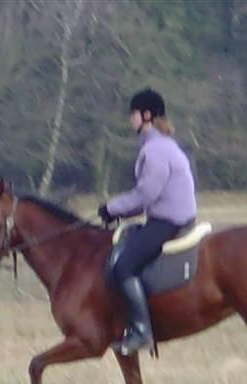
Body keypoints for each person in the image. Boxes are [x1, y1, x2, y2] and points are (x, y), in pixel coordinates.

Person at [98, 88, 197, 355]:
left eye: (132, 114)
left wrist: (111, 208)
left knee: (123, 267)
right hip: (167, 216)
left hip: (168, 222)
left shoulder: (155, 150)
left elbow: (145, 194)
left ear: (146, 116)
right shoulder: (163, 145)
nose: (130, 119)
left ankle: (142, 331)